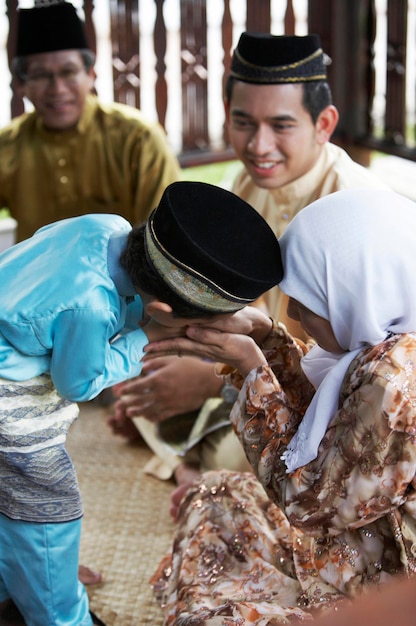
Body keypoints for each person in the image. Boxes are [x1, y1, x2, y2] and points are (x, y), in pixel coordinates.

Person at [109, 32, 389, 490]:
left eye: (281, 126)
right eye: (244, 123)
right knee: (147, 364)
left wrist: (214, 380)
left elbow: (359, 376)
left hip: (338, 401)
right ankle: (179, 437)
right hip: (263, 360)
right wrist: (190, 361)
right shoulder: (247, 182)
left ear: (324, 124)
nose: (259, 145)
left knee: (239, 456)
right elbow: (226, 308)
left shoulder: (355, 207)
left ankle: (190, 460)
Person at [0, 180, 283, 626]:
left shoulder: (106, 227)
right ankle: (55, 608)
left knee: (8, 497)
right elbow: (79, 382)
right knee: (46, 511)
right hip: (9, 401)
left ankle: (20, 575)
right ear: (167, 314)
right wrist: (148, 337)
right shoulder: (92, 308)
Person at [144, 187, 416, 624]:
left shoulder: (396, 384)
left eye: (309, 302)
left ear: (353, 294)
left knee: (208, 618)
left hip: (373, 596)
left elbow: (308, 504)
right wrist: (265, 336)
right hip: (340, 553)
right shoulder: (385, 343)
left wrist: (252, 370)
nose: (290, 312)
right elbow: (324, 428)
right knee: (215, 491)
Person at [0, 1, 181, 243]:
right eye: (41, 75)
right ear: (21, 84)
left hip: (124, 280)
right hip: (37, 280)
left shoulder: (138, 140)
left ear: (90, 75)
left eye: (68, 72)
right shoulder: (8, 146)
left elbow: (166, 239)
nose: (57, 89)